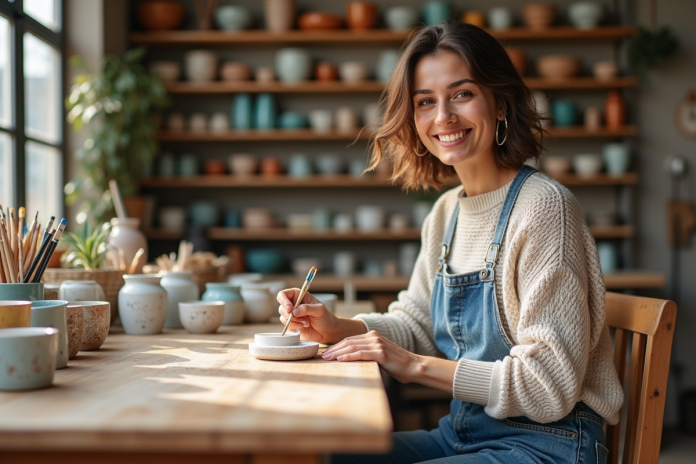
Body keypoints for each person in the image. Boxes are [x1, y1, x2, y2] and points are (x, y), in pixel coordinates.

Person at [277, 22, 623, 464]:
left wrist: (411, 365)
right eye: (425, 102)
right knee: (323, 456)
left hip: (548, 445)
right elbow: (418, 325)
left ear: (500, 104)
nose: (443, 117)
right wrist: (337, 327)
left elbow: (548, 384)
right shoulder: (447, 212)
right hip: (463, 435)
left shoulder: (544, 209)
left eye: (462, 94)